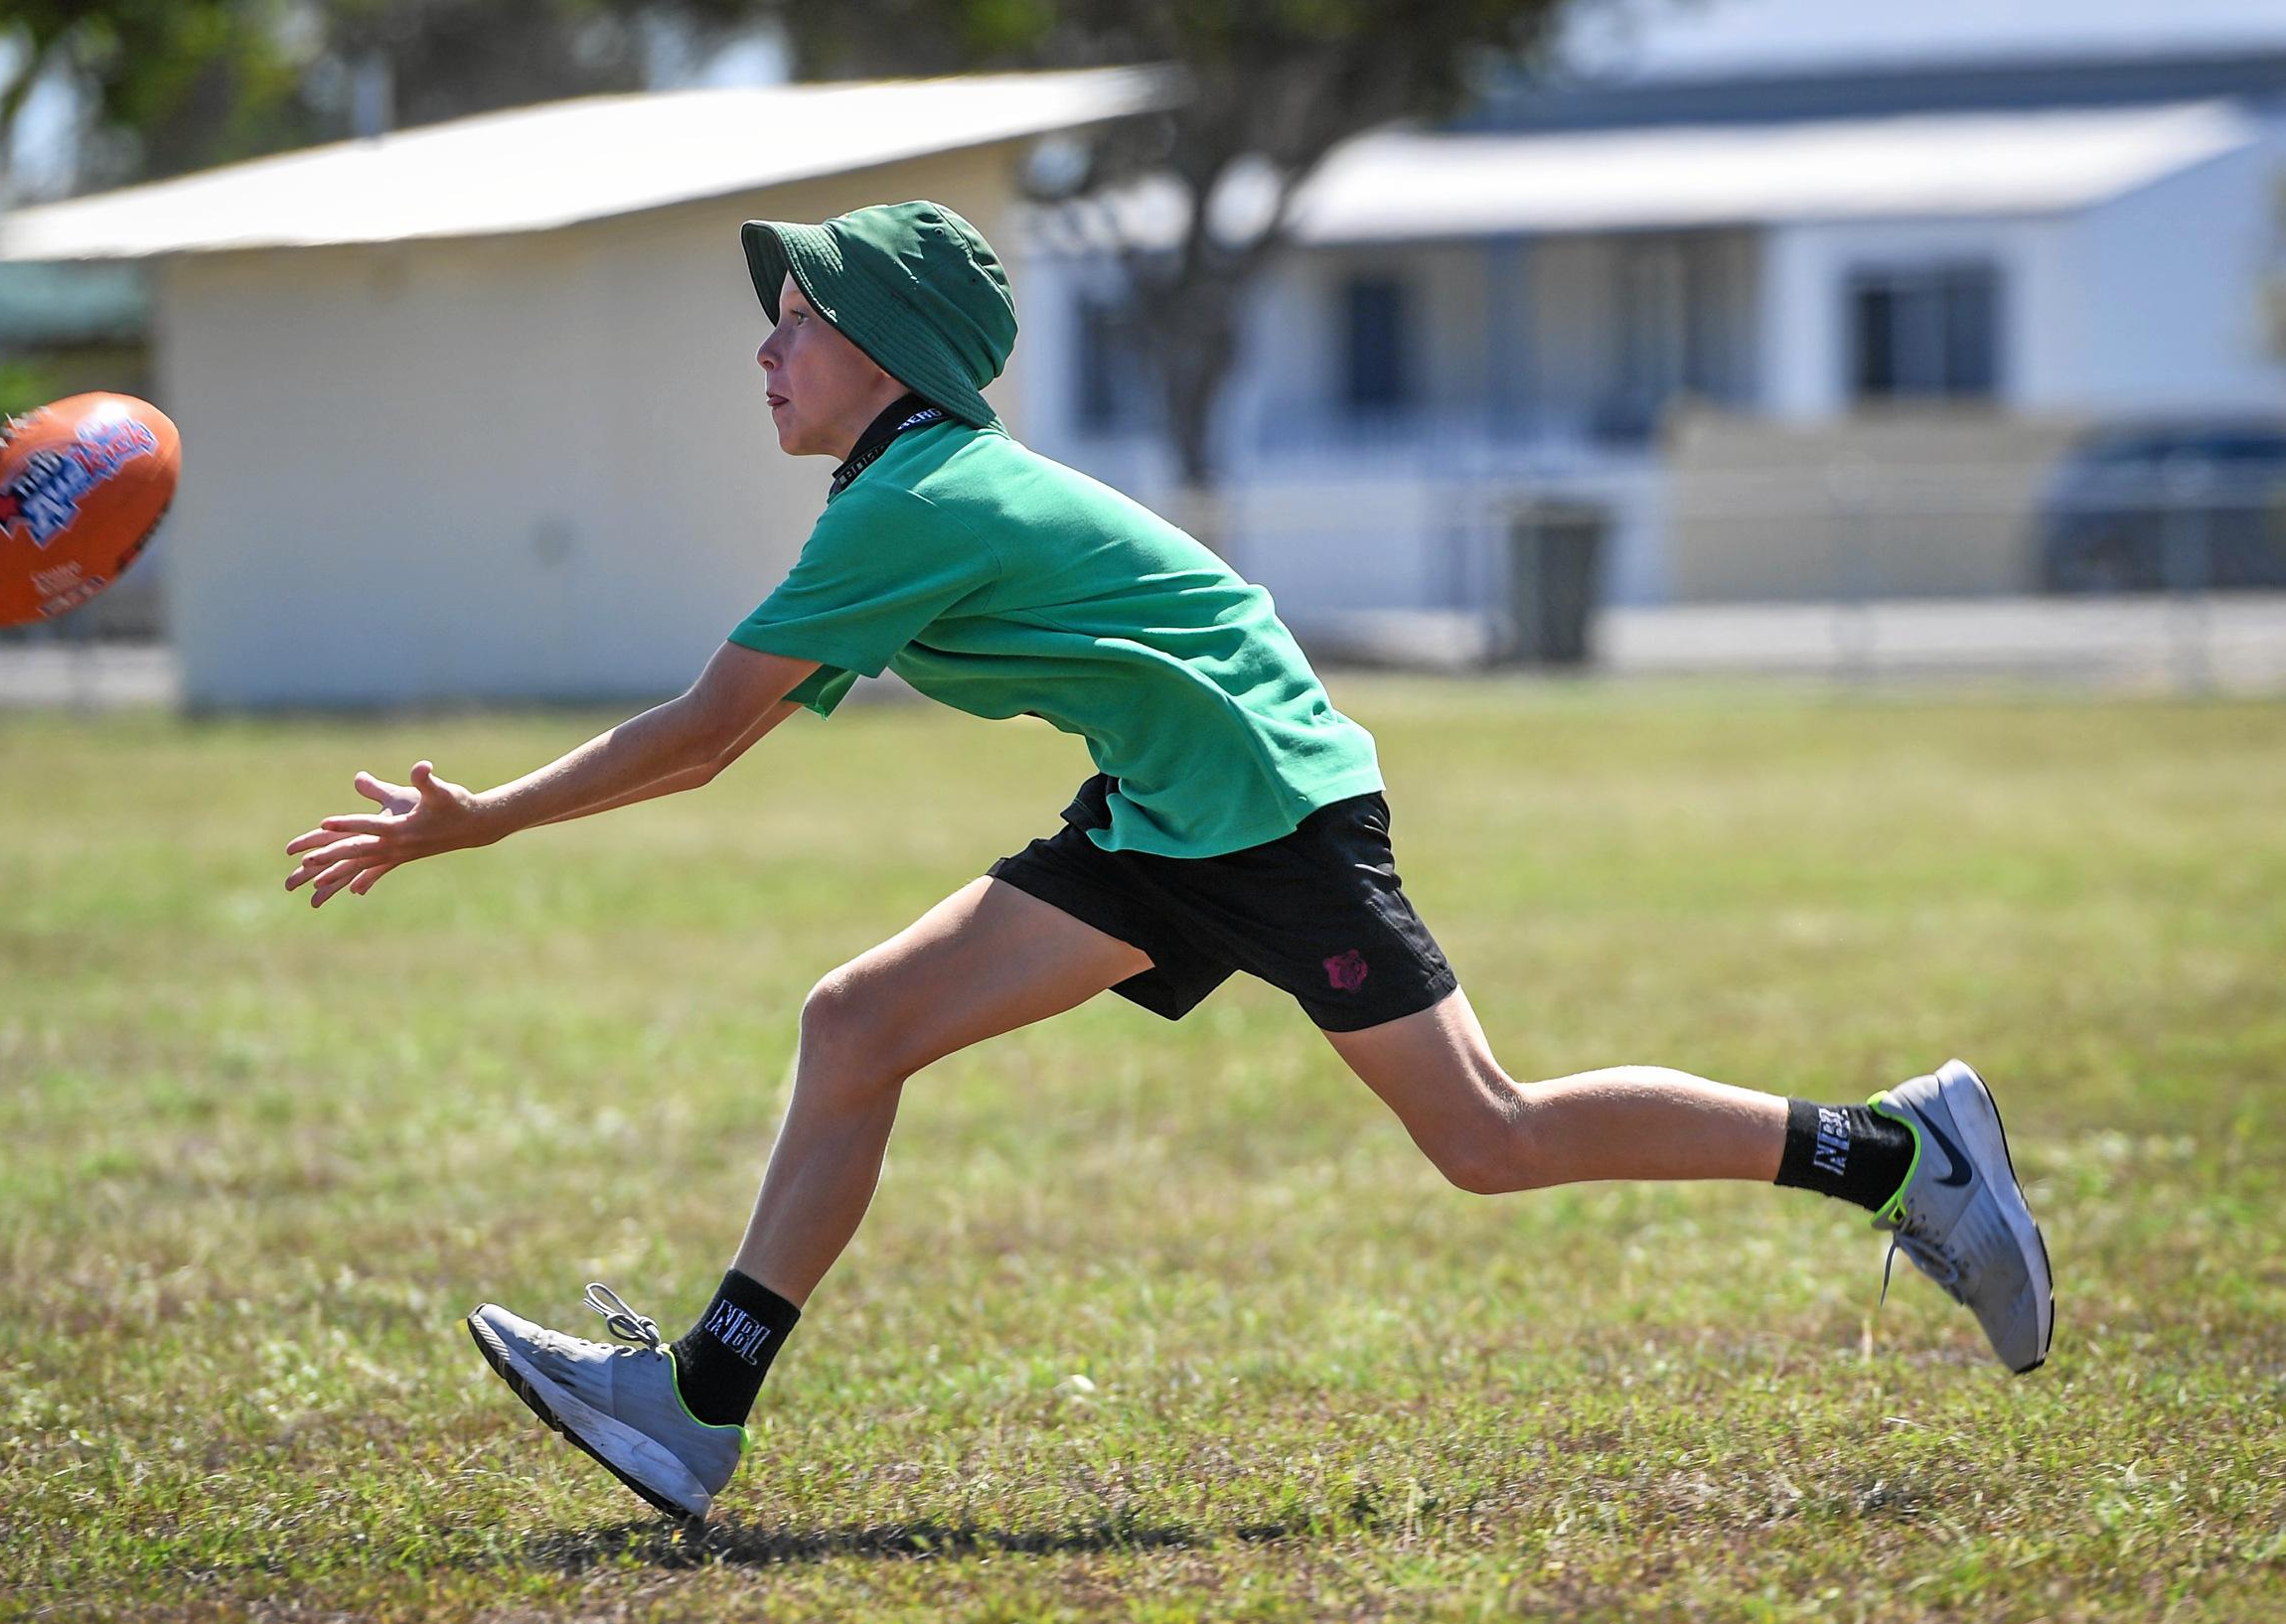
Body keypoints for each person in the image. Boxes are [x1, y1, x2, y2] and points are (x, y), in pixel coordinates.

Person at [283, 202, 2054, 1523]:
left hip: (1268, 812)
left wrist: (479, 817)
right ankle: (698, 1402)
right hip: (1161, 807)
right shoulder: (904, 487)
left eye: (796, 321)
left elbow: (704, 729)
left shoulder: (920, 497)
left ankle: (1896, 1152)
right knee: (858, 1020)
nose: (763, 351)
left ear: (885, 349)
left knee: (1485, 1136)